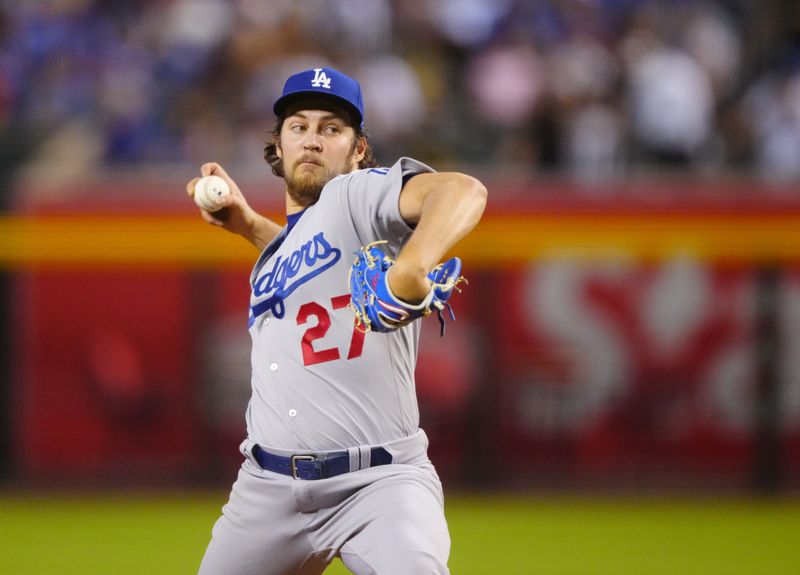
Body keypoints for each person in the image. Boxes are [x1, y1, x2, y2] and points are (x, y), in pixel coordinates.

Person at [187, 66, 487, 575]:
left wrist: (413, 265)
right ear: (277, 148)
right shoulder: (281, 254)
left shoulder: (358, 195)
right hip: (265, 490)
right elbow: (309, 256)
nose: (312, 140)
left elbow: (464, 191)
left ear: (359, 150)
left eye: (331, 128)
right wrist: (249, 226)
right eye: (298, 126)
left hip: (378, 485)